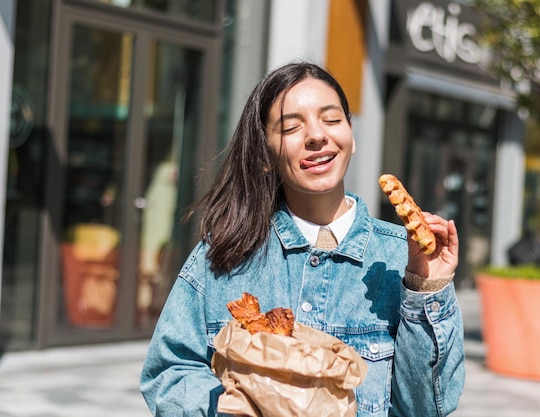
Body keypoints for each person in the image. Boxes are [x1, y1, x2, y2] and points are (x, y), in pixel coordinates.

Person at [140, 62, 465, 416]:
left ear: (351, 137)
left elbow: (427, 407)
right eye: (292, 127)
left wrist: (425, 289)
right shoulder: (223, 255)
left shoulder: (396, 258)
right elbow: (168, 372)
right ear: (265, 155)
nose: (316, 136)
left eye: (331, 120)